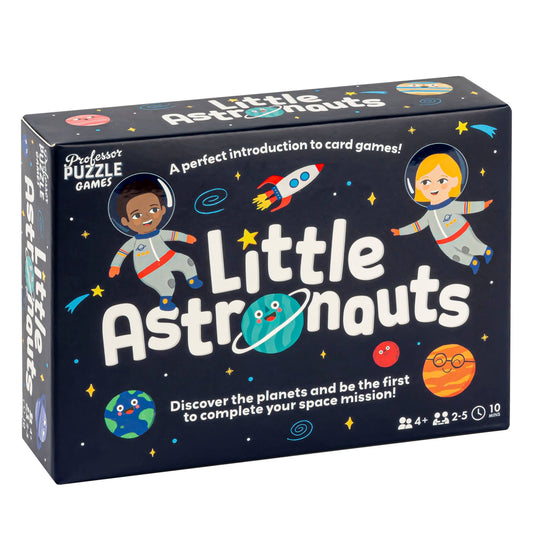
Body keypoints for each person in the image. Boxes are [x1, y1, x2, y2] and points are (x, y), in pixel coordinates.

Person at [391, 148, 493, 274]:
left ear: (454, 181)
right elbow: (417, 225)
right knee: (454, 255)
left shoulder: (451, 205)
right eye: (426, 182)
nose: (433, 187)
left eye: (442, 181)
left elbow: (466, 207)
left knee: (472, 246)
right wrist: (400, 231)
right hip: (444, 242)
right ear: (418, 185)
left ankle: (485, 251)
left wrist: (483, 205)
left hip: (461, 233)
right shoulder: (429, 215)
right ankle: (472, 262)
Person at [109, 175, 202, 310]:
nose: (147, 217)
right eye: (137, 215)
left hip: (168, 257)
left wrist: (186, 238)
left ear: (162, 210)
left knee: (187, 261)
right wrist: (115, 266)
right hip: (148, 269)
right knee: (168, 282)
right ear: (125, 221)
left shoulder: (160, 234)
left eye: (153, 210)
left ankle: (192, 279)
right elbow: (122, 252)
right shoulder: (133, 242)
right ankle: (165, 302)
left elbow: (173, 235)